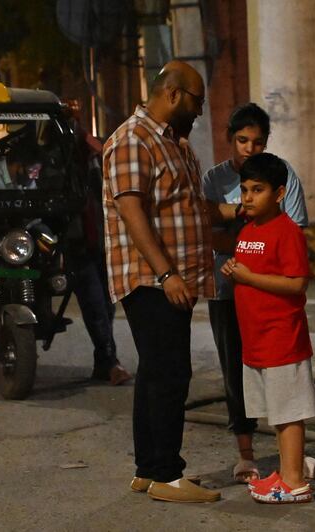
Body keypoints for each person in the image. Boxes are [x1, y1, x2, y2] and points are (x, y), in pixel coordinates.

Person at [103, 60, 239, 503]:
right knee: (170, 372)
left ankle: (148, 470)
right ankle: (166, 473)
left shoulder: (175, 145)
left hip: (175, 278)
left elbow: (191, 208)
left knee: (157, 372)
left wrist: (241, 213)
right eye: (198, 100)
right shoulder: (132, 140)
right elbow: (132, 212)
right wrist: (167, 274)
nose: (201, 110)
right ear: (175, 94)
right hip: (152, 279)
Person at [202, 103, 315, 483]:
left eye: (257, 141)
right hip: (236, 304)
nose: (249, 148)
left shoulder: (282, 188)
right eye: (242, 140)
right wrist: (233, 224)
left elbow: (292, 252)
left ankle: (293, 473)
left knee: (287, 400)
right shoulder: (215, 180)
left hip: (276, 318)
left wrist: (247, 267)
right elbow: (206, 232)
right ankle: (257, 457)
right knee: (241, 377)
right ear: (229, 139)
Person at [220, 153, 315, 504]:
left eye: (257, 190)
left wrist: (247, 277)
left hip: (282, 339)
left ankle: (294, 482)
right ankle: (286, 472)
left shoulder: (288, 232)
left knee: (289, 413)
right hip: (256, 340)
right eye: (244, 189)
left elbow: (296, 284)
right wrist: (236, 269)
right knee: (277, 414)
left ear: (278, 193)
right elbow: (252, 271)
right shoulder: (248, 230)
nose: (247, 197)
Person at [64, 102, 131, 385]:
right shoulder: (60, 162)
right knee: (95, 304)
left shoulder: (92, 160)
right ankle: (110, 362)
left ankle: (102, 362)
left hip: (101, 242)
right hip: (78, 243)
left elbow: (104, 153)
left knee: (106, 304)